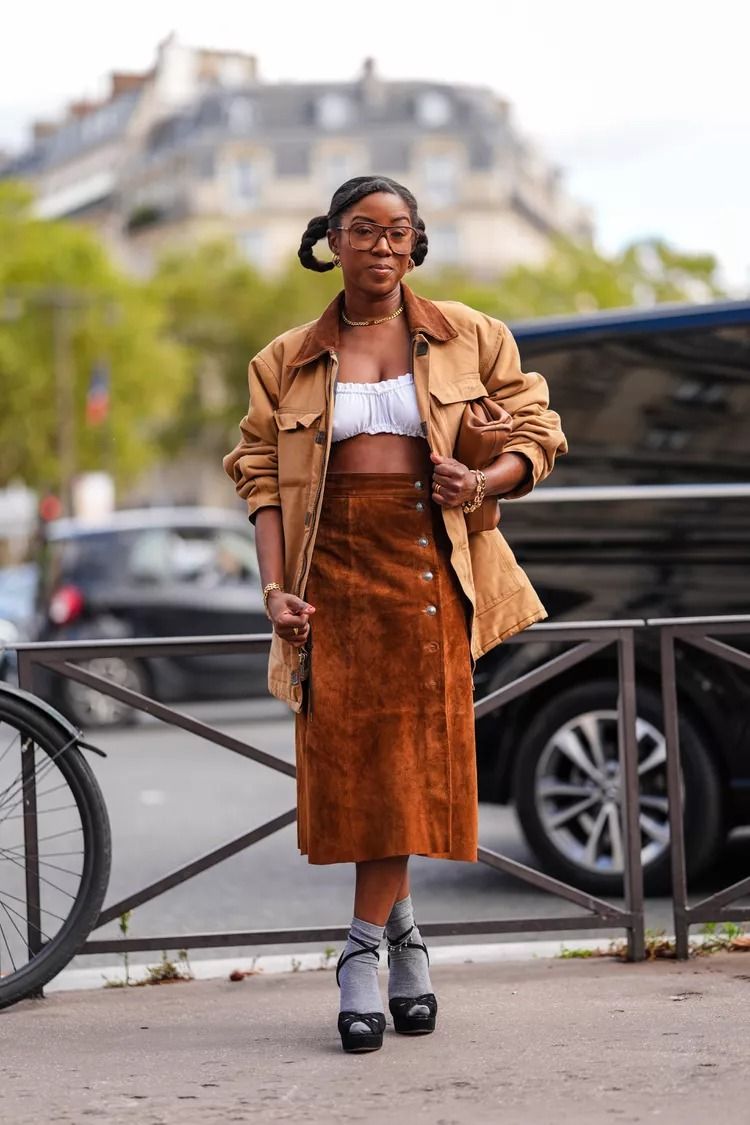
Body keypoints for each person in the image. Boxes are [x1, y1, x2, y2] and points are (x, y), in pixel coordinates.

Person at [223, 175, 566, 1053]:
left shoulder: (470, 336)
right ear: (331, 241)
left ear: (417, 243)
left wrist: (485, 479)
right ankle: (407, 941)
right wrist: (274, 592)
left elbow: (540, 428)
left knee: (407, 766)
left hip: (428, 571)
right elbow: (261, 479)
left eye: (398, 231)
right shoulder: (283, 358)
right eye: (363, 230)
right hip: (327, 577)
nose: (382, 245)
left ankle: (361, 952)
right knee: (360, 772)